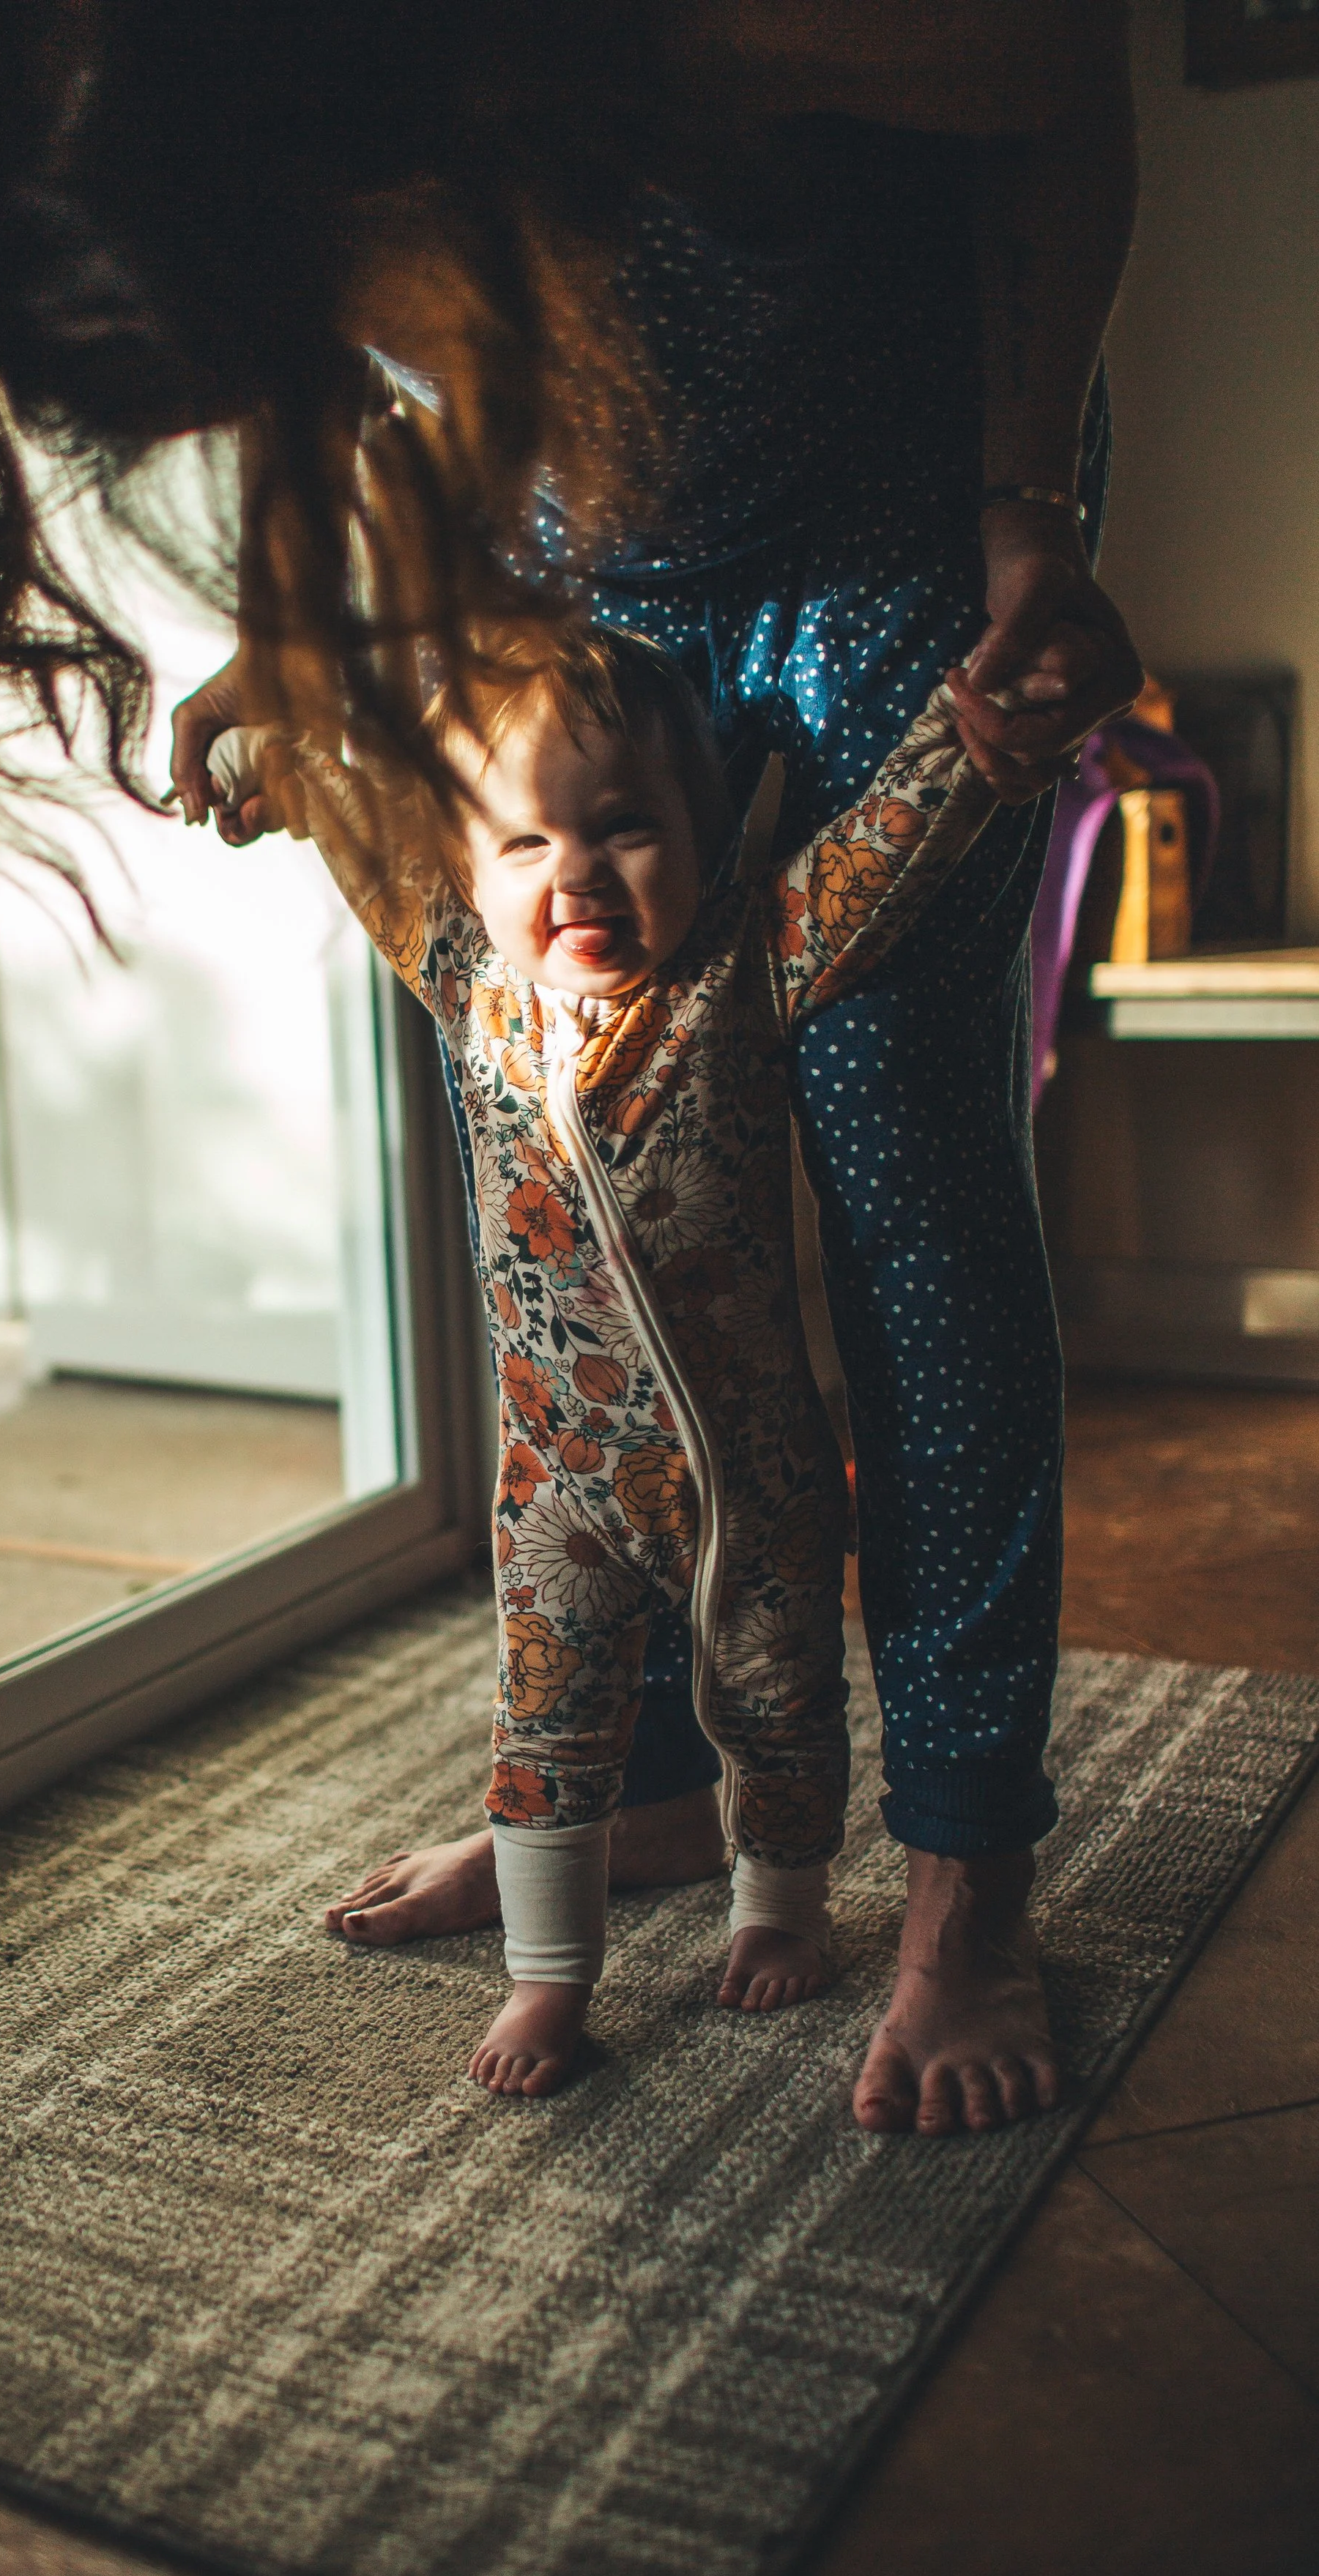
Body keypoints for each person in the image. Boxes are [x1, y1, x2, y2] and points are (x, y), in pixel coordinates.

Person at [0, 1, 1144, 2134]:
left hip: (897, 506)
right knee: (564, 1130)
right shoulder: (282, 140)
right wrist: (303, 629)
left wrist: (1016, 509)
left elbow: (1061, 88)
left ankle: (964, 1869)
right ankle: (647, 1800)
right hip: (577, 547)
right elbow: (397, 376)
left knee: (894, 1150)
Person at [211, 626, 993, 2093]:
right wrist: (274, 742)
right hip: (554, 1481)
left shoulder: (742, 968)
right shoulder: (464, 976)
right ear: (467, 866)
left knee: (780, 1698)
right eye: (522, 843)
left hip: (748, 1471)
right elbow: (352, 819)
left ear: (699, 835)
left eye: (622, 828)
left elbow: (879, 854)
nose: (570, 872)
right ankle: (546, 1980)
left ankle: (777, 1908)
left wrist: (970, 737)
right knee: (544, 1727)